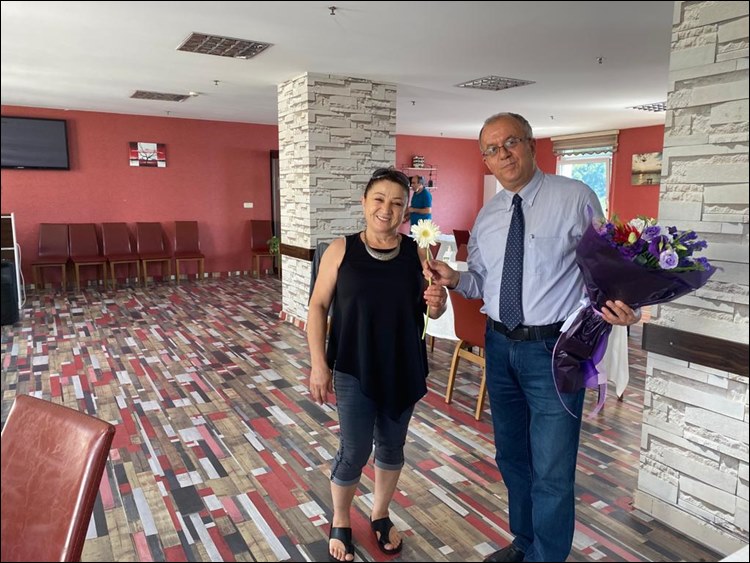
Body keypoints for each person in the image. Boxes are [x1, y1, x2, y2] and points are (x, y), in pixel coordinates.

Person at [425, 113, 638, 562]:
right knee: (512, 457)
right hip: (499, 346)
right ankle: (524, 543)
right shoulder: (488, 215)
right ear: (485, 160)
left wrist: (625, 302)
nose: (503, 154)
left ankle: (546, 556)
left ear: (531, 144)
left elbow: (606, 269)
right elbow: (482, 281)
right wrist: (454, 278)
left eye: (511, 142)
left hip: (554, 351)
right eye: (491, 149)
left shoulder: (575, 198)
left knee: (552, 468)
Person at [308, 167, 447, 562]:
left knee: (392, 445)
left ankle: (380, 514)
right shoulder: (341, 250)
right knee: (354, 449)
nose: (387, 209)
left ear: (406, 212)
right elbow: (318, 306)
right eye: (379, 199)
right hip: (354, 365)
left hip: (403, 365)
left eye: (397, 203)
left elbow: (433, 310)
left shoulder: (418, 253)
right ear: (364, 202)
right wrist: (318, 364)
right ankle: (340, 519)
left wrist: (438, 303)